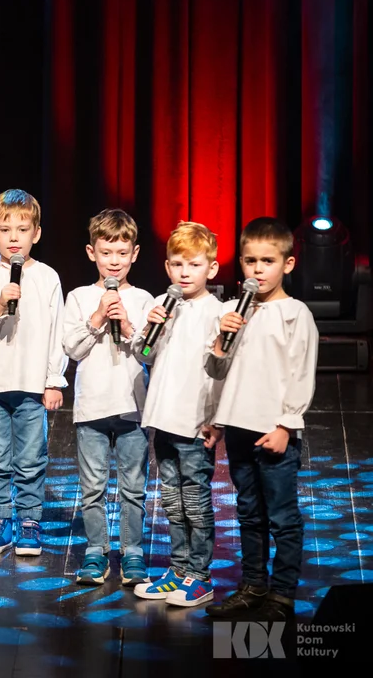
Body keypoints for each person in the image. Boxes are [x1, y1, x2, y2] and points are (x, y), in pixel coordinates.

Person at [204, 217, 318, 622]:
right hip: (237, 426)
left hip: (275, 430)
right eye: (250, 261)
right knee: (248, 512)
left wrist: (286, 425)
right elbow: (218, 373)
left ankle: (282, 594)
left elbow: (301, 373)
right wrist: (220, 340)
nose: (257, 269)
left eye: (267, 261)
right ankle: (252, 585)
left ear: (287, 264)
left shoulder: (295, 313)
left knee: (282, 515)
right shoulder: (235, 311)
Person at [0, 189, 67, 556]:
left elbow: (58, 333)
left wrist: (54, 380)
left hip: (31, 384)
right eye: (5, 229)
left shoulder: (48, 277)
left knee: (30, 458)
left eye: (22, 229)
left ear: (35, 233)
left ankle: (29, 522)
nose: (13, 237)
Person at [131, 221, 223, 606]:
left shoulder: (219, 312)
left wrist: (216, 421)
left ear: (211, 269)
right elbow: (144, 355)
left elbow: (222, 371)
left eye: (194, 265)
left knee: (196, 501)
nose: (185, 273)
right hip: (163, 420)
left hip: (195, 423)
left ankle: (200, 576)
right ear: (167, 268)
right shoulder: (162, 306)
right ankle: (179, 569)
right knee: (171, 499)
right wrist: (150, 331)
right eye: (177, 265)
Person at [62, 209, 154, 586]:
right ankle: (96, 551)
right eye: (106, 253)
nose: (113, 262)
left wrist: (130, 326)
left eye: (121, 253)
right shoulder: (80, 297)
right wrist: (98, 317)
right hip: (92, 408)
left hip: (132, 408)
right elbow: (72, 348)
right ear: (91, 253)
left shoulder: (146, 298)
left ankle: (132, 552)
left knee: (133, 487)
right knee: (93, 487)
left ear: (134, 254)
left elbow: (150, 353)